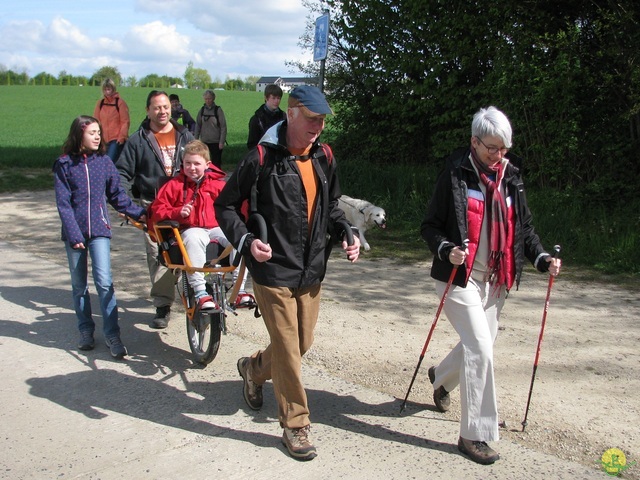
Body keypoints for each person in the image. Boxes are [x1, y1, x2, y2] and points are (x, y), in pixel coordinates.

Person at [215, 85, 361, 461]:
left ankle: (253, 368)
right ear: (291, 113)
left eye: (323, 119)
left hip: (311, 269)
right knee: (289, 349)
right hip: (272, 269)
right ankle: (295, 425)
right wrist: (246, 242)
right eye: (312, 118)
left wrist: (347, 233)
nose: (319, 126)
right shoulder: (262, 156)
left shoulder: (324, 157)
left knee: (299, 345)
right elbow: (226, 206)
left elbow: (332, 208)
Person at [420, 106, 562, 465]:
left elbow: (524, 228)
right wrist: (446, 248)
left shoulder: (511, 177)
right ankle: (475, 435)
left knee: (476, 346)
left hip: (496, 280)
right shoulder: (454, 174)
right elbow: (430, 226)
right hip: (458, 279)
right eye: (490, 148)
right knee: (482, 349)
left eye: (503, 149)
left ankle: (442, 377)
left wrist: (542, 257)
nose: (497, 156)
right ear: (473, 141)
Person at [53, 115, 146, 359]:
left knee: (104, 283)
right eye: (92, 132)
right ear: (78, 135)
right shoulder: (63, 164)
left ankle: (113, 334)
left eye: (98, 132)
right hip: (74, 233)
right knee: (79, 286)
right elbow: (63, 204)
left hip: (100, 231)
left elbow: (118, 197)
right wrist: (74, 235)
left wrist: (144, 213)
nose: (97, 136)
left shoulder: (104, 162)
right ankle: (85, 330)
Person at [117, 90, 195, 329]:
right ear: (148, 110)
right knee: (159, 256)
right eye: (157, 108)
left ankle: (195, 298)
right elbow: (121, 174)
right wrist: (125, 204)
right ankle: (163, 305)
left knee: (190, 250)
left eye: (165, 107)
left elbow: (203, 165)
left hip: (184, 204)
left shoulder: (186, 135)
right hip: (154, 207)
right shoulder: (138, 140)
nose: (162, 111)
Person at [148, 140, 248, 308]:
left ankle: (240, 291)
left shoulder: (218, 185)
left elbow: (235, 206)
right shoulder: (174, 186)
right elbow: (156, 211)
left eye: (197, 163)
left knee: (239, 238)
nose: (192, 168)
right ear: (182, 163)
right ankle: (201, 292)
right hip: (189, 228)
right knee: (194, 238)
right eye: (188, 163)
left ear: (207, 164)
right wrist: (177, 212)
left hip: (216, 228)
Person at [93, 78, 130, 163]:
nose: (107, 91)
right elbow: (96, 120)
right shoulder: (100, 103)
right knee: (99, 161)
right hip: (102, 138)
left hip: (115, 139)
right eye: (105, 89)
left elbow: (125, 121)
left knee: (109, 161)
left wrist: (122, 137)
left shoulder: (120, 103)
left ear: (113, 89)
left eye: (109, 89)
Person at [246, 83, 286, 150]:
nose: (276, 101)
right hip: (263, 155)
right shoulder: (257, 119)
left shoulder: (283, 117)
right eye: (273, 98)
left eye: (278, 98)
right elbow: (251, 144)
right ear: (266, 98)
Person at [195, 90, 227, 168]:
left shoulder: (218, 110)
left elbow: (223, 127)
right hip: (204, 142)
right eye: (206, 99)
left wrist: (221, 142)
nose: (208, 100)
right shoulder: (202, 110)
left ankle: (216, 178)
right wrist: (196, 140)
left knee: (216, 164)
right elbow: (198, 125)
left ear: (213, 98)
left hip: (216, 142)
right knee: (204, 163)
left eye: (209, 98)